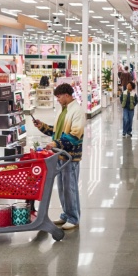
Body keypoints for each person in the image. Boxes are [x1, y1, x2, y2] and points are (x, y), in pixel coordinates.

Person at [33, 83, 86, 230]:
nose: (57, 99)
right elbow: (56, 132)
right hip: (60, 156)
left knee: (70, 188)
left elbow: (75, 135)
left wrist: (55, 143)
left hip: (70, 157)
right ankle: (66, 215)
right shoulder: (63, 111)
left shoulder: (76, 111)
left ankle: (74, 218)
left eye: (59, 96)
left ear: (67, 95)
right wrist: (42, 126)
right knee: (62, 188)